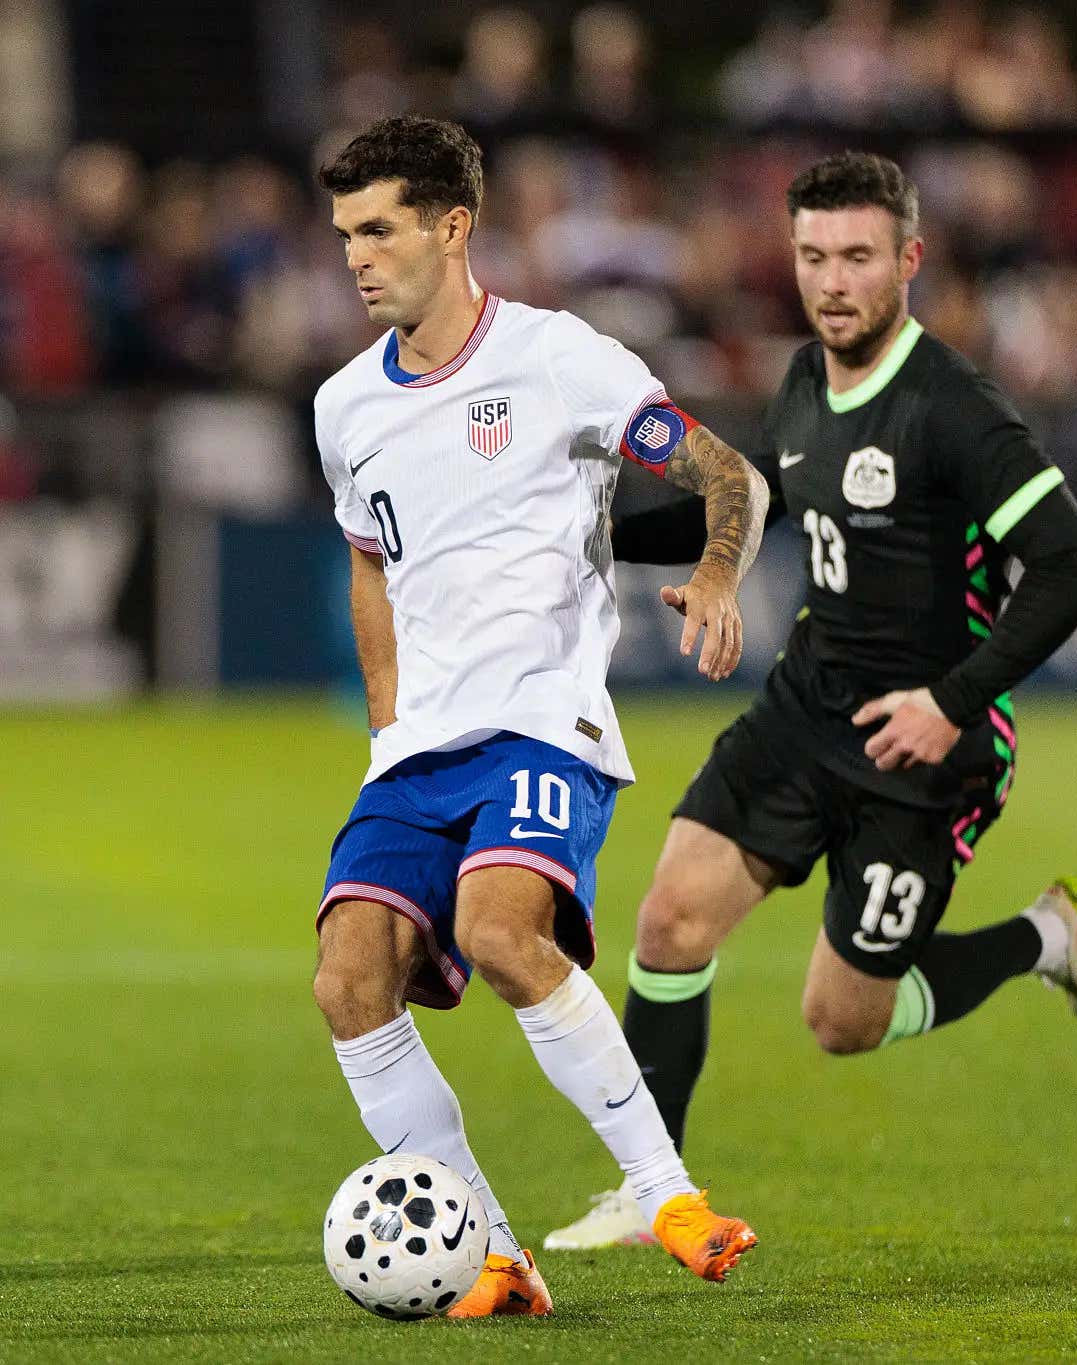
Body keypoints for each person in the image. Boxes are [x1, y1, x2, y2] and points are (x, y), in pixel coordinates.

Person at [545, 152, 1077, 1250]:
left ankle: (1044, 937)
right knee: (667, 921)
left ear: (907, 260)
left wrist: (952, 702)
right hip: (806, 710)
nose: (830, 281)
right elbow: (763, 494)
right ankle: (651, 1187)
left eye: (855, 257)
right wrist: (592, 536)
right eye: (811, 257)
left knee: (841, 1021)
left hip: (924, 751)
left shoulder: (955, 412)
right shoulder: (805, 376)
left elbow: (1070, 567)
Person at [308, 116, 768, 1317]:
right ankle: (494, 1257)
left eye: (378, 230)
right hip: (417, 753)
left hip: (539, 723)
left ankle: (665, 1194)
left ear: (452, 227)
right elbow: (370, 565)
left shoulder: (560, 358)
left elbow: (729, 475)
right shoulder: (344, 407)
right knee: (348, 980)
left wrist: (715, 575)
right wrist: (385, 724)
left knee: (505, 933)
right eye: (343, 234)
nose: (355, 258)